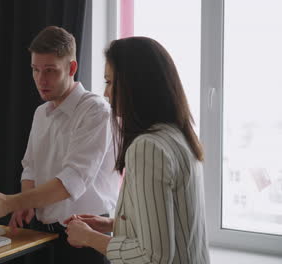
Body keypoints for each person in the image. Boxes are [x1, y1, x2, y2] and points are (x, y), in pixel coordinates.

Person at [0, 26, 119, 263]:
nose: (41, 79)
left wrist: (10, 203)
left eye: (50, 70)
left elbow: (71, 181)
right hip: (43, 235)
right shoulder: (41, 112)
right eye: (35, 70)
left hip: (86, 240)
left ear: (71, 68)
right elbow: (30, 166)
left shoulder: (96, 111)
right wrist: (25, 203)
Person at [63, 37, 210, 263]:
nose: (106, 93)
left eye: (110, 83)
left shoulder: (147, 148)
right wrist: (112, 224)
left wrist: (89, 237)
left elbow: (153, 256)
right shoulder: (177, 136)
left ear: (135, 85)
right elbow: (172, 224)